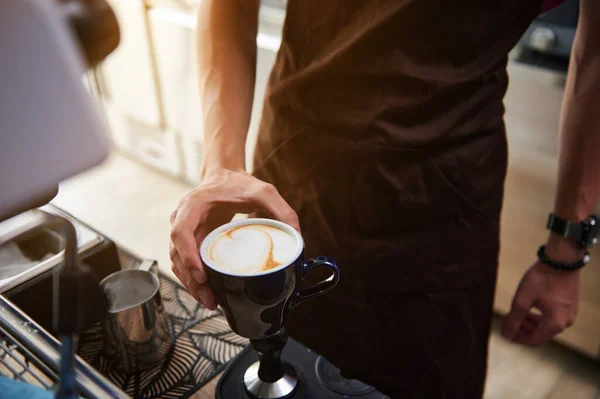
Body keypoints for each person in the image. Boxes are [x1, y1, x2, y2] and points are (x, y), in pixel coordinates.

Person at [169, 1, 600, 397]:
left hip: (443, 208)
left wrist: (569, 243)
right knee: (287, 373)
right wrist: (222, 167)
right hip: (296, 180)